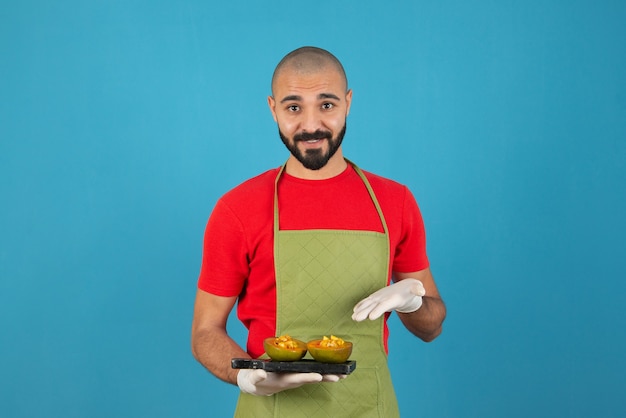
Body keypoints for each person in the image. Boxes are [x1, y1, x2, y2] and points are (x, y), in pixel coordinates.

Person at [191, 46, 446, 417]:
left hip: (368, 408)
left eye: (326, 105)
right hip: (272, 409)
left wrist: (413, 301)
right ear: (273, 108)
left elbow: (431, 327)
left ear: (348, 103)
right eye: (294, 107)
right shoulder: (237, 209)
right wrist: (247, 375)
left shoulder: (395, 201)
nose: (311, 125)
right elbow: (205, 331)